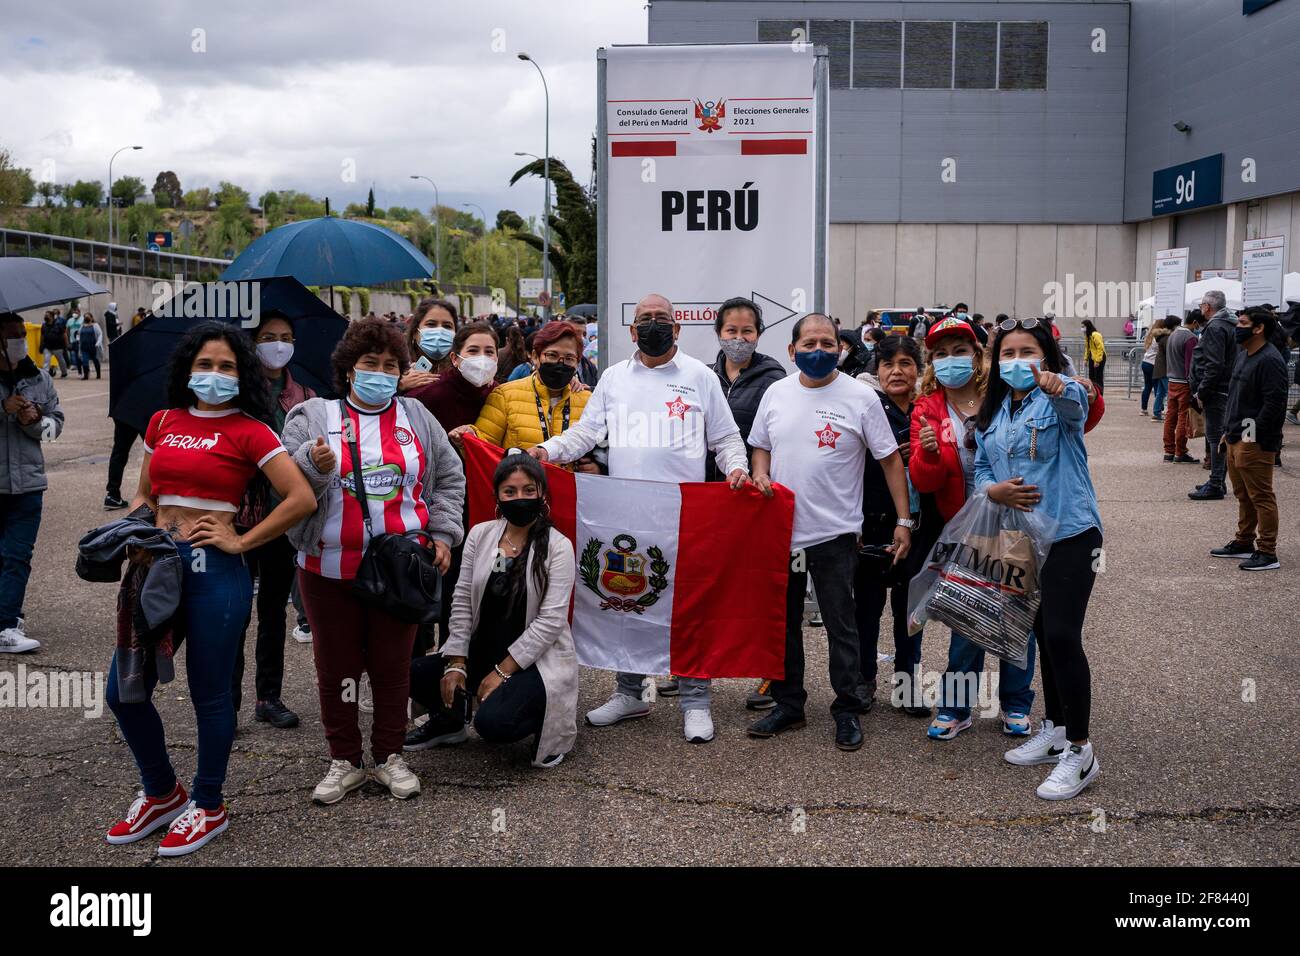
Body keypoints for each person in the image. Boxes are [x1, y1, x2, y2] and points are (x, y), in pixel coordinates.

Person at [103, 321, 316, 856]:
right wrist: (130, 528)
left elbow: (300, 499)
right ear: (188, 369)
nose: (215, 374)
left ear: (241, 373)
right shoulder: (162, 421)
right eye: (205, 364)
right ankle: (162, 792)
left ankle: (208, 803)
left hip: (216, 574)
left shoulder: (252, 430)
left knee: (210, 695)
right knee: (123, 690)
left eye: (226, 366)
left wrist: (241, 541)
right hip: (154, 567)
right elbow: (146, 492)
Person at [529, 293, 751, 744]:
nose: (653, 325)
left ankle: (695, 701)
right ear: (632, 331)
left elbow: (725, 437)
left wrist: (737, 468)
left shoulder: (699, 378)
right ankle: (629, 693)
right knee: (627, 601)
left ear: (677, 328)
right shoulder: (613, 378)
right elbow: (588, 433)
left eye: (662, 319)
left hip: (684, 514)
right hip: (625, 512)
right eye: (645, 319)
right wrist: (544, 452)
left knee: (687, 606)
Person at [282, 318, 465, 805]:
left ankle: (388, 755)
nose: (380, 373)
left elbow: (450, 477)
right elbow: (286, 484)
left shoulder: (418, 417)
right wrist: (313, 468)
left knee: (392, 666)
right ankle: (345, 758)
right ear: (348, 370)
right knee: (337, 669)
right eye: (370, 364)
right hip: (327, 569)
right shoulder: (311, 416)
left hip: (400, 570)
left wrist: (443, 533)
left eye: (390, 366)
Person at [744, 313, 911, 751]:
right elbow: (759, 445)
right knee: (783, 624)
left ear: (841, 348)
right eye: (809, 343)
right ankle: (789, 704)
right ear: (792, 349)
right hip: (780, 530)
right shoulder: (776, 393)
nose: (818, 351)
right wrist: (759, 472)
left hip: (835, 534)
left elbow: (890, 460)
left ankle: (848, 708)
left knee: (842, 624)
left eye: (827, 343)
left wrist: (903, 520)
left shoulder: (860, 396)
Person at [976, 317, 1103, 800]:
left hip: (1072, 532)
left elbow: (1079, 405)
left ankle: (1081, 750)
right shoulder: (997, 410)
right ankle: (1053, 728)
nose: (1016, 362)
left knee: (1062, 636)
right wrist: (993, 489)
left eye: (1027, 352)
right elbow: (984, 463)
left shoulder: (1059, 398)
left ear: (1045, 358)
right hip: (1021, 538)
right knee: (1041, 636)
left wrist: (1062, 382)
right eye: (1007, 354)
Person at [405, 453, 578, 766]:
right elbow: (460, 600)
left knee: (494, 725)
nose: (519, 498)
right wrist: (456, 662)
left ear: (542, 494)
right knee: (411, 674)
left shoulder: (558, 546)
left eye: (528, 490)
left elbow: (551, 622)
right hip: (482, 651)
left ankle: (545, 720)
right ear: (497, 496)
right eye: (509, 491)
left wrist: (502, 672)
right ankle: (450, 722)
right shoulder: (480, 535)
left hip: (531, 662)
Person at [911, 317, 1038, 739]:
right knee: (967, 619)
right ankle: (955, 708)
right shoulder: (926, 408)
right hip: (965, 529)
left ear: (977, 355)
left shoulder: (1003, 396)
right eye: (941, 354)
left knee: (1017, 615)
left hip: (1018, 522)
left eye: (960, 351)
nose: (951, 361)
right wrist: (928, 455)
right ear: (932, 362)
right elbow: (925, 482)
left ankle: (1016, 705)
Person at [229, 312, 317, 729]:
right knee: (233, 612)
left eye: (286, 337)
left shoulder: (306, 395)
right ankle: (227, 699)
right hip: (239, 519)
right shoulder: (236, 394)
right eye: (268, 337)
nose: (278, 345)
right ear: (252, 342)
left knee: (273, 611)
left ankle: (269, 697)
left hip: (285, 516)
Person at [702, 296, 785, 709]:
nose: (738, 338)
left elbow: (770, 437)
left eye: (746, 331)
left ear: (759, 334)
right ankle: (698, 669)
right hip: (711, 495)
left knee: (756, 590)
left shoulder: (774, 376)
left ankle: (770, 674)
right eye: (731, 331)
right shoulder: (702, 376)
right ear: (719, 333)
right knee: (708, 587)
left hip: (755, 495)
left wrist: (757, 474)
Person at [855, 334, 931, 718]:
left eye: (905, 363)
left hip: (919, 527)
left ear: (918, 369)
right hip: (872, 522)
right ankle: (864, 680)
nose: (896, 372)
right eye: (888, 364)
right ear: (877, 370)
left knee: (911, 612)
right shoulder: (866, 407)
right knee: (866, 610)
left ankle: (906, 685)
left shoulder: (929, 409)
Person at [0, 312, 64, 654]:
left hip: (27, 484)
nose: (19, 340)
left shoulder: (38, 377)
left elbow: (57, 425)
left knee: (17, 555)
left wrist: (34, 421)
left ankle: (7, 624)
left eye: (21, 333)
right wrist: (3, 408)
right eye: (11, 334)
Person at [1209, 308, 1288, 571]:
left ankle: (1267, 552)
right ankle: (1244, 542)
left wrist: (1248, 437)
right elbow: (1236, 397)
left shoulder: (1270, 360)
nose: (1237, 328)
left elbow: (1273, 405)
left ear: (1259, 329)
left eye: (1242, 323)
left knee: (1261, 496)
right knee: (1244, 495)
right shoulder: (1245, 355)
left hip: (1254, 441)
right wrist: (1228, 432)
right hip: (1234, 436)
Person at [462, 321, 593, 459]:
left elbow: (601, 448)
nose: (560, 364)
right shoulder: (505, 396)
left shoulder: (588, 401)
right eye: (552, 355)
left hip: (569, 480)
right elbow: (482, 448)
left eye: (569, 358)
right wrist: (468, 436)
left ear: (577, 362)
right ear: (535, 357)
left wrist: (598, 467)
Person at [404, 321, 499, 435]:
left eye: (489, 352)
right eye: (473, 351)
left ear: (497, 358)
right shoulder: (428, 394)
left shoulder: (499, 394)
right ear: (454, 359)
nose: (482, 358)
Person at [1188, 290, 1238, 500]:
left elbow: (1214, 364)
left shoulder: (1216, 327)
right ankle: (1217, 479)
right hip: (1223, 388)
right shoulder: (1228, 325)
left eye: (1202, 305)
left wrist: (1202, 391)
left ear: (1207, 307)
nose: (1200, 309)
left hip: (1216, 390)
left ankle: (1216, 483)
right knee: (1217, 436)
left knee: (1215, 436)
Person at [398, 297, 459, 395]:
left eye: (447, 326)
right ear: (415, 332)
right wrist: (399, 386)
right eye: (431, 324)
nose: (440, 332)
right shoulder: (395, 365)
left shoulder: (461, 369)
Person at [1163, 310, 1201, 463]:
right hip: (1184, 383)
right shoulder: (1190, 338)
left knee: (1170, 416)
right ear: (1195, 323)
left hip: (1172, 380)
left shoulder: (1173, 334)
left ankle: (1169, 450)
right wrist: (1194, 385)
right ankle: (1180, 451)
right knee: (1182, 417)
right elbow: (1190, 365)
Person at [1139, 319, 1169, 418]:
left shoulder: (1149, 336)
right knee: (1157, 387)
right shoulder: (1159, 338)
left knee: (1147, 386)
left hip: (1145, 362)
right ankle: (1159, 409)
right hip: (1153, 364)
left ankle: (1143, 409)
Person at [40, 310, 69, 378]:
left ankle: (64, 373)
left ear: (52, 317)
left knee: (61, 361)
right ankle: (45, 375)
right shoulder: (43, 325)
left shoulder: (59, 324)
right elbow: (42, 336)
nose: (45, 316)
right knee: (46, 360)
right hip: (47, 346)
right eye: (45, 315)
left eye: (47, 315)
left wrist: (66, 344)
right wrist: (41, 345)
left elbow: (64, 334)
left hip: (58, 347)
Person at [1080, 319, 1106, 394]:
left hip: (1099, 357)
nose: (1082, 329)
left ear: (1087, 326)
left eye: (1083, 327)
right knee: (1091, 377)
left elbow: (1100, 348)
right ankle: (1094, 393)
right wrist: (1085, 359)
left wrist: (1098, 360)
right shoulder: (1088, 336)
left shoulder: (1095, 335)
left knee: (1098, 377)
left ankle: (1100, 394)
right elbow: (1087, 348)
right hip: (1092, 357)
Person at [78, 312, 103, 379]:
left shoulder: (95, 325)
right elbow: (79, 334)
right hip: (84, 347)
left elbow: (100, 334)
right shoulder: (82, 326)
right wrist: (78, 339)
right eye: (85, 317)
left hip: (93, 346)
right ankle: (86, 375)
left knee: (95, 360)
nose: (87, 318)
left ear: (91, 318)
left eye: (88, 316)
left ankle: (98, 374)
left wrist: (98, 343)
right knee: (85, 361)